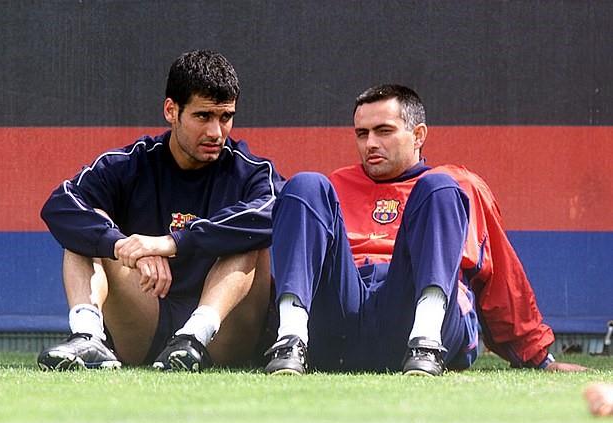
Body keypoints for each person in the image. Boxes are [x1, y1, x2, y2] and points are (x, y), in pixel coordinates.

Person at [264, 84, 587, 376]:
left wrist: (538, 357)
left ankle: (426, 343)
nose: (371, 143)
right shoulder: (334, 187)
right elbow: (298, 264)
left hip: (418, 313)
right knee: (305, 184)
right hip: (342, 321)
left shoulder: (457, 188)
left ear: (418, 135)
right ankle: (290, 340)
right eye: (362, 134)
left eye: (384, 131)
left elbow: (500, 275)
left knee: (439, 185)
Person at [38, 50, 283, 371]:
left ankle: (192, 339)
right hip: (144, 316)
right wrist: (123, 246)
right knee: (88, 226)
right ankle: (88, 337)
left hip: (219, 334)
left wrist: (171, 243)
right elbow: (60, 205)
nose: (216, 132)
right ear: (171, 110)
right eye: (203, 116)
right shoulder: (131, 163)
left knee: (250, 236)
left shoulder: (250, 170)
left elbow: (275, 212)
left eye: (225, 117)